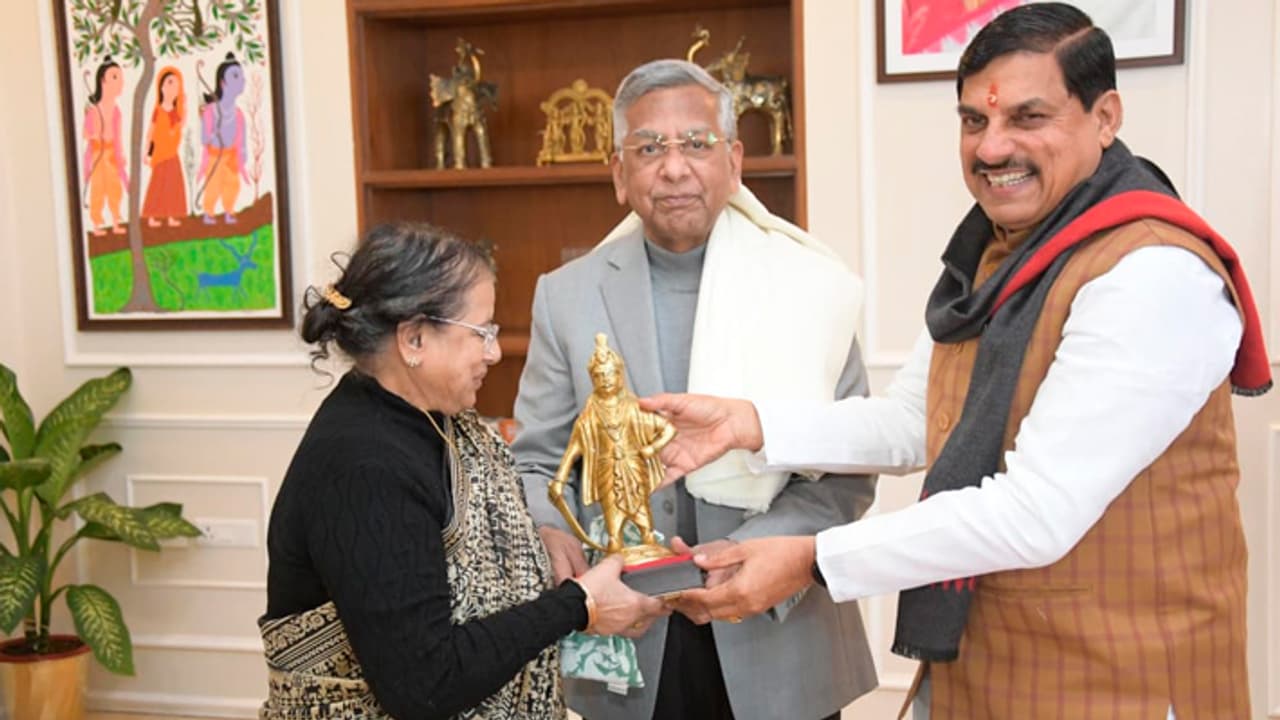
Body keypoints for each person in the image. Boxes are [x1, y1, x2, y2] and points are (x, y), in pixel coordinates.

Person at [640, 5, 1271, 719]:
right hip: (996, 661)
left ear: (1105, 117)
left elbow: (1035, 513)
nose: (992, 147)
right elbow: (918, 418)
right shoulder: (1001, 253)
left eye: (1027, 118)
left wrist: (814, 559)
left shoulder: (1151, 274)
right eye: (974, 121)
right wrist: (749, 425)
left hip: (1121, 677)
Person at [512, 59, 878, 720]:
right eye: (649, 147)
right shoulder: (565, 296)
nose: (673, 167)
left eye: (696, 144)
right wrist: (546, 524)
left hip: (778, 628)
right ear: (620, 174)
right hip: (631, 627)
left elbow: (847, 465)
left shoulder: (807, 287)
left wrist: (759, 552)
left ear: (734, 161)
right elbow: (537, 457)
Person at [259, 222, 666, 719]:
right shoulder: (362, 466)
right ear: (413, 339)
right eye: (482, 332)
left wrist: (537, 540)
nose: (493, 352)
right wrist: (578, 605)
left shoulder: (430, 419)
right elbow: (425, 685)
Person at [198, 52, 248, 225]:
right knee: (213, 185)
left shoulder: (239, 114)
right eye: (235, 76)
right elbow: (204, 138)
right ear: (222, 82)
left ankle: (229, 210)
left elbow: (242, 138)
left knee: (232, 185)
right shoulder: (211, 111)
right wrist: (214, 138)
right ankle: (209, 212)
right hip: (215, 156)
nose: (242, 80)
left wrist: (243, 152)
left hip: (231, 157)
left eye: (241, 76)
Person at [83, 55, 129, 237]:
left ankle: (116, 219)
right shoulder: (94, 110)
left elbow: (117, 136)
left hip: (110, 153)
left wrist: (120, 155)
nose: (120, 82)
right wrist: (94, 135)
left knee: (114, 188)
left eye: (120, 77)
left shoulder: (116, 110)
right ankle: (96, 223)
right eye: (114, 77)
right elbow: (86, 133)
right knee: (98, 188)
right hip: (97, 153)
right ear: (103, 80)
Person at [142, 66, 188, 228]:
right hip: (160, 155)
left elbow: (181, 124)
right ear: (161, 87)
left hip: (172, 154)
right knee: (158, 186)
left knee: (173, 186)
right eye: (169, 83)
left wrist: (185, 105)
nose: (173, 88)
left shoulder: (175, 112)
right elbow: (151, 133)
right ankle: (152, 216)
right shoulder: (158, 111)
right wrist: (147, 153)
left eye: (176, 84)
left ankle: (171, 216)